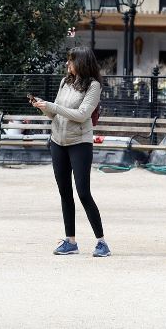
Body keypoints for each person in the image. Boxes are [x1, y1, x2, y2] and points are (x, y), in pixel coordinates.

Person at [31, 46, 110, 257]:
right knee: (65, 193)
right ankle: (71, 241)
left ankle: (101, 242)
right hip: (58, 141)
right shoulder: (65, 82)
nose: (67, 65)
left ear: (81, 63)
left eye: (71, 61)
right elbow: (55, 114)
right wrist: (44, 107)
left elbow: (82, 114)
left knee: (83, 193)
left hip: (80, 143)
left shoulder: (93, 86)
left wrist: (53, 107)